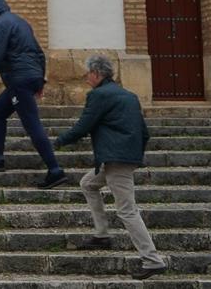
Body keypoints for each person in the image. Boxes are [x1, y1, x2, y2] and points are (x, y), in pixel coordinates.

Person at [54, 54, 167, 280]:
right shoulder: (128, 95)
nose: (86, 78)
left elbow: (84, 125)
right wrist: (134, 155)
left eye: (88, 74)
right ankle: (102, 234)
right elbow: (144, 131)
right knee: (88, 183)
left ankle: (153, 260)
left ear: (96, 74)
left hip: (117, 159)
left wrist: (58, 141)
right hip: (123, 156)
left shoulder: (99, 95)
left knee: (127, 210)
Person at [0, 0, 68, 189]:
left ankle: (55, 170)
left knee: (32, 124)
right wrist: (40, 80)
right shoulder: (19, 21)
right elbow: (39, 53)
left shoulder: (0, 24)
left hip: (19, 79)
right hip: (30, 76)